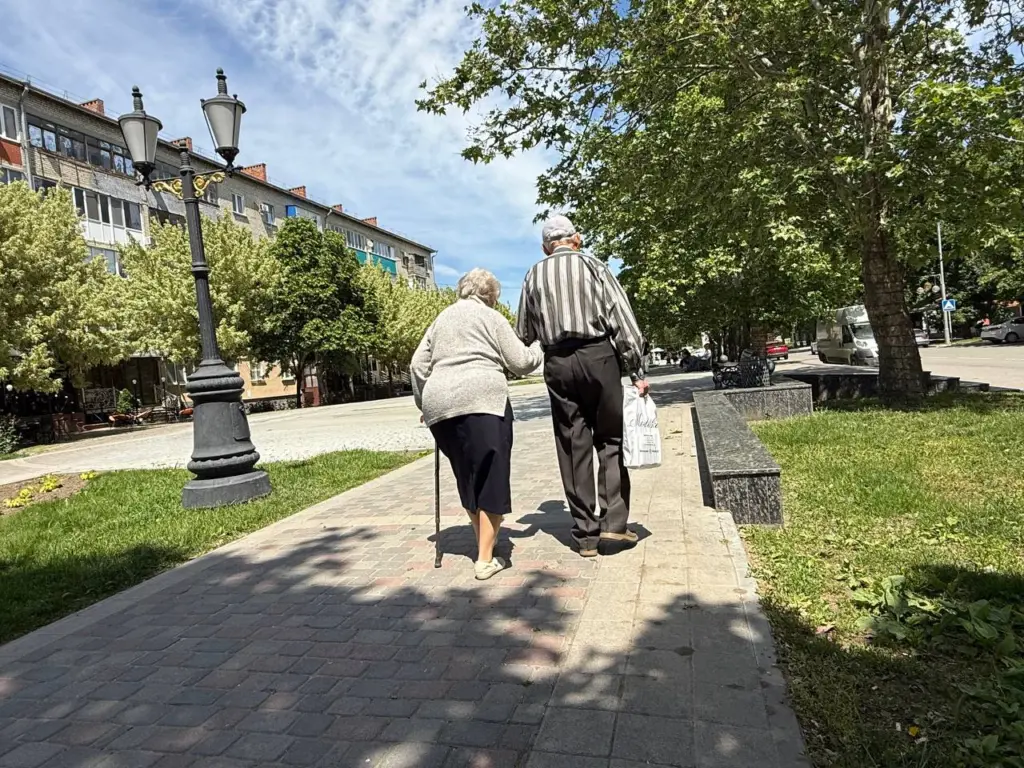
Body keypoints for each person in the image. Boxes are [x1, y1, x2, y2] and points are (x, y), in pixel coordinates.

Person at [516, 215, 649, 558]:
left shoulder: (534, 274)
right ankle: (614, 525)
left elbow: (525, 332)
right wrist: (636, 369)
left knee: (573, 444)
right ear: (576, 239)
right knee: (610, 438)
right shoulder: (594, 265)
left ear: (546, 247)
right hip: (598, 357)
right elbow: (622, 318)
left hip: (558, 363)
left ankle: (586, 535)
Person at [411, 268, 543, 580]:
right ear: (491, 296)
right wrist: (539, 348)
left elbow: (417, 364)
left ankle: (484, 542)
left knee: (468, 475)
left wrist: (423, 402)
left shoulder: (442, 318)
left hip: (440, 406)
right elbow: (521, 362)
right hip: (483, 400)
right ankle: (485, 559)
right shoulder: (492, 318)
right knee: (492, 477)